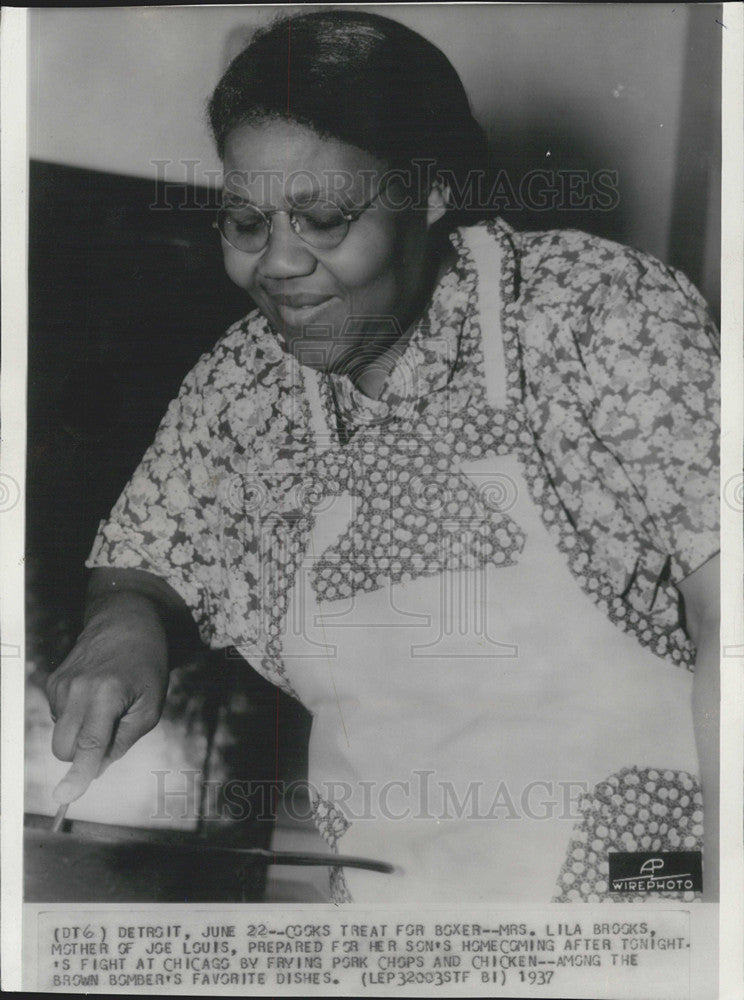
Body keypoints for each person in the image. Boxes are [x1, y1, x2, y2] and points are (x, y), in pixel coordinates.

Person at [47, 9, 720, 904]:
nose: (276, 264)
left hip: (647, 899)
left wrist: (725, 916)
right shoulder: (244, 387)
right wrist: (123, 622)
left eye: (323, 218)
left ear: (430, 190)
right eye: (244, 221)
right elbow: (149, 559)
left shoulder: (591, 312)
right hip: (403, 925)